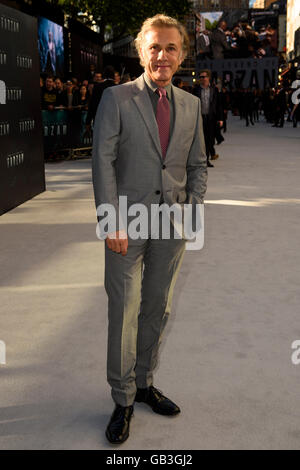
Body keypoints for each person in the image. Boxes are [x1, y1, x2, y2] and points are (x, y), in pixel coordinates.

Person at [92, 13, 207, 444]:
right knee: (123, 310)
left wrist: (192, 210)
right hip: (126, 222)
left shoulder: (192, 105)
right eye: (154, 47)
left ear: (181, 55)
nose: (162, 55)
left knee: (157, 307)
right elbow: (101, 161)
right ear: (141, 51)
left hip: (171, 224)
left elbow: (197, 165)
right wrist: (110, 220)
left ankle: (143, 383)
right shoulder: (116, 99)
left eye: (171, 47)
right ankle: (122, 399)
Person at [193, 70, 223, 167]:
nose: (202, 79)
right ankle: (201, 160)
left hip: (211, 118)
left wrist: (220, 119)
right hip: (199, 118)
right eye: (200, 77)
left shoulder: (214, 89)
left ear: (208, 77)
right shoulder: (196, 89)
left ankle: (206, 159)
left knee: (209, 140)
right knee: (200, 140)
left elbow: (218, 105)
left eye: (204, 77)